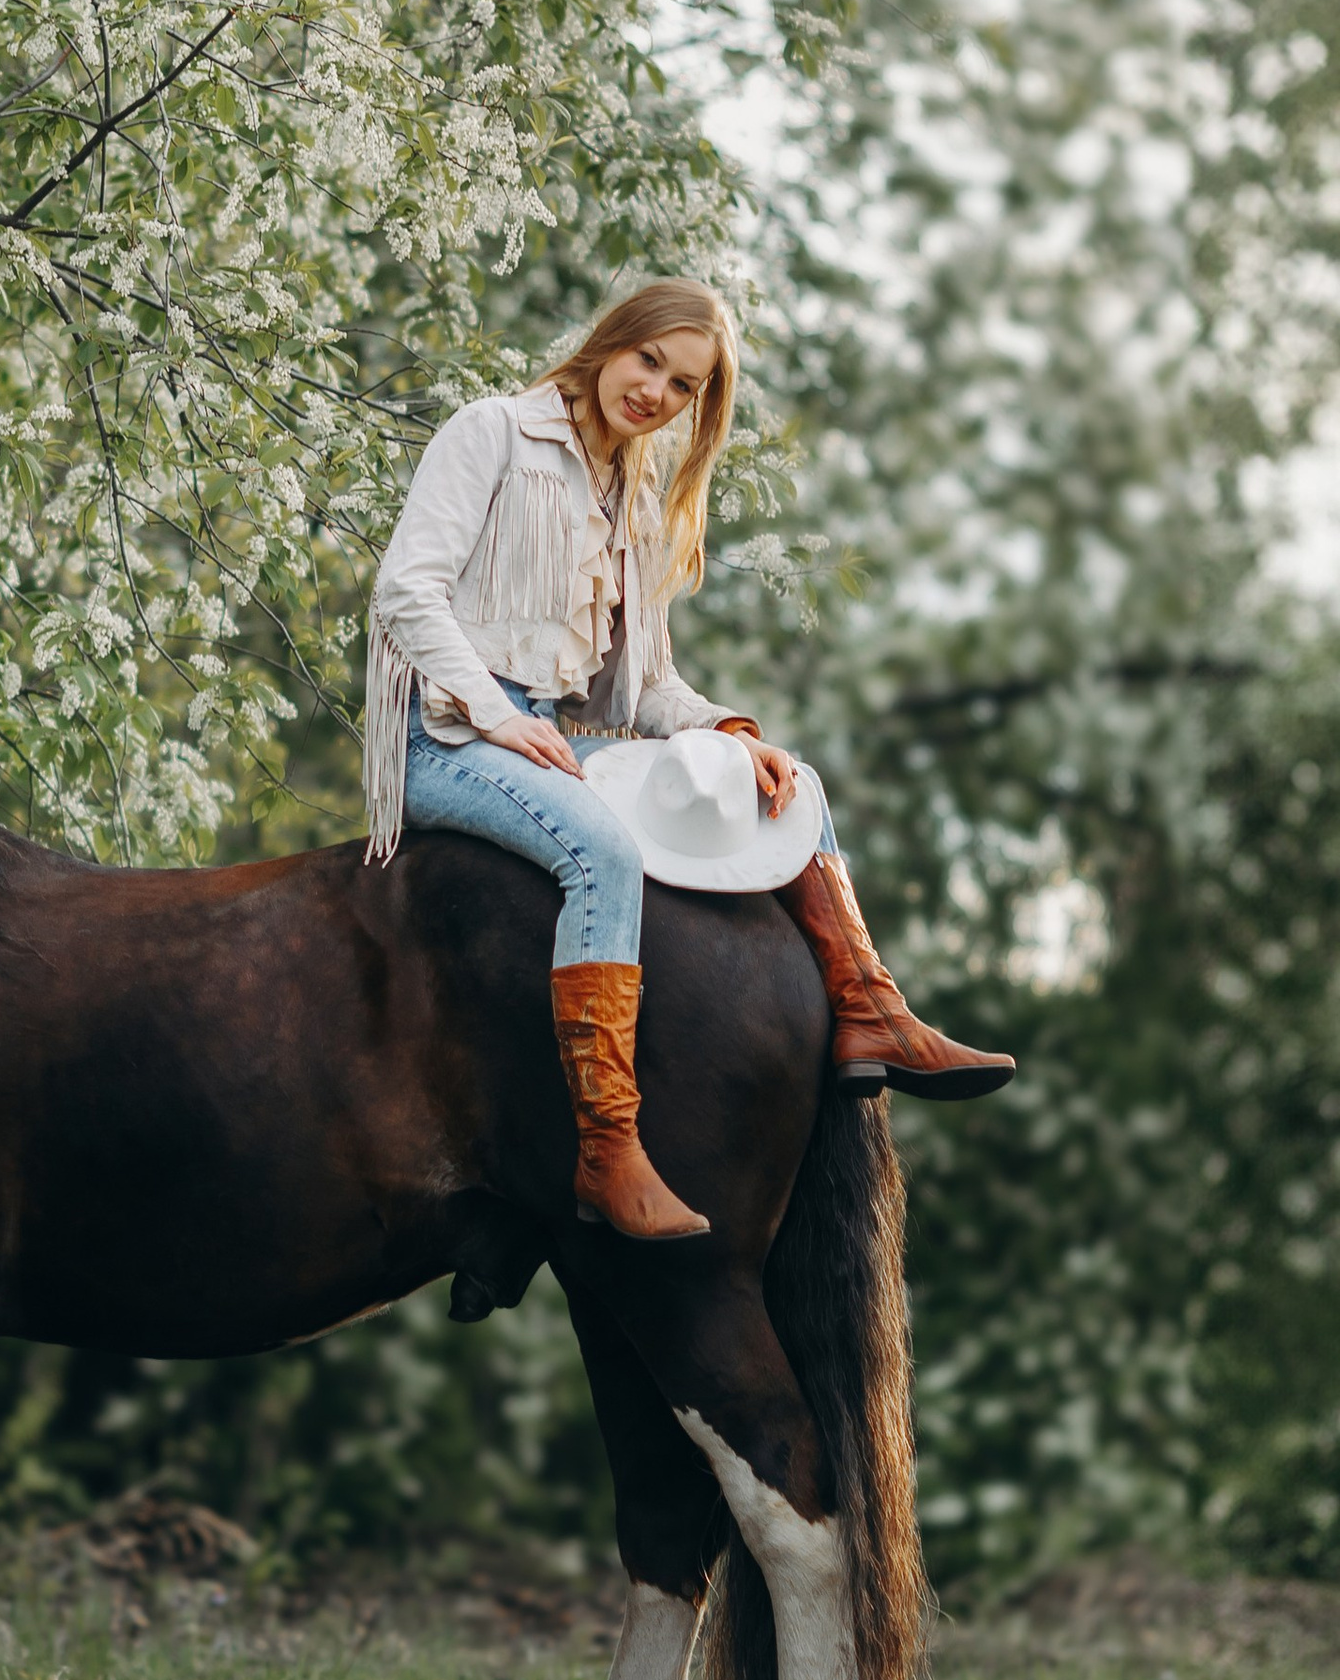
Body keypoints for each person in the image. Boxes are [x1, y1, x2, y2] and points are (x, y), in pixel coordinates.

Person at [363, 279, 1012, 1242]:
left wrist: (731, 734)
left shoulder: (633, 500)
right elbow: (404, 593)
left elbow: (651, 687)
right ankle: (606, 1147)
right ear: (609, 345)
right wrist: (499, 717)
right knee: (601, 854)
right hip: (450, 737)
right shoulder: (491, 432)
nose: (656, 392)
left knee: (792, 788)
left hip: (557, 737)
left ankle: (870, 1011)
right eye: (648, 362)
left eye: (683, 385)